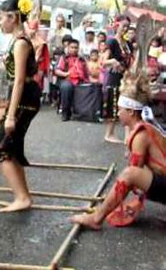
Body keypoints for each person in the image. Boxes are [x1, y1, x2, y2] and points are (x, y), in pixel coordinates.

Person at [71, 72, 166, 229]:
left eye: (120, 110)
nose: (117, 113)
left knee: (130, 173)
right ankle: (100, 211)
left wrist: (110, 206)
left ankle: (96, 219)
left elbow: (133, 180)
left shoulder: (141, 134)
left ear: (130, 112)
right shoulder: (143, 127)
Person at [0, 0, 41, 212]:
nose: (0, 21)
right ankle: (23, 196)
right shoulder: (19, 40)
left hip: (25, 97)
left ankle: (22, 198)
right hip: (25, 96)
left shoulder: (20, 43)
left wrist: (9, 116)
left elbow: (18, 81)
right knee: (12, 148)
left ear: (13, 18)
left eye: (2, 17)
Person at [103, 15, 132, 143]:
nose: (125, 28)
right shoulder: (112, 42)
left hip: (126, 78)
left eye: (127, 26)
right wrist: (114, 61)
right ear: (117, 25)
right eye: (123, 25)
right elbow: (103, 61)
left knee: (127, 106)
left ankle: (128, 136)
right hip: (114, 77)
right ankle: (109, 134)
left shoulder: (128, 43)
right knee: (113, 106)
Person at [55, 39, 89, 121]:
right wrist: (66, 74)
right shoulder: (64, 58)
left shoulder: (82, 59)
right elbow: (57, 71)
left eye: (76, 48)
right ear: (68, 48)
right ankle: (65, 113)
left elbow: (87, 72)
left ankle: (84, 113)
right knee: (66, 87)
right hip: (67, 80)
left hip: (81, 81)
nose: (74, 49)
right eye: (72, 47)